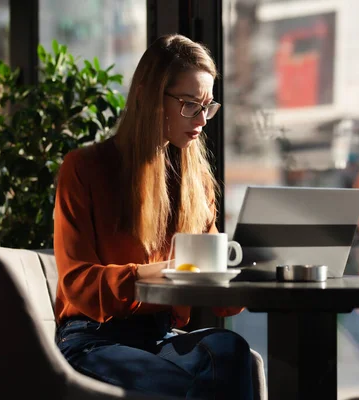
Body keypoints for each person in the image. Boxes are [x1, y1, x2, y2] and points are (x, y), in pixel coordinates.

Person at [53, 34, 254, 399]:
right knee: (193, 385)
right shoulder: (85, 168)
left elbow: (222, 300)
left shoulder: (195, 185)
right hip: (93, 338)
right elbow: (77, 283)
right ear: (148, 95)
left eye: (207, 106)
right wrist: (157, 274)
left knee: (231, 351)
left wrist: (250, 272)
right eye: (190, 104)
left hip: (158, 336)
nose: (202, 120)